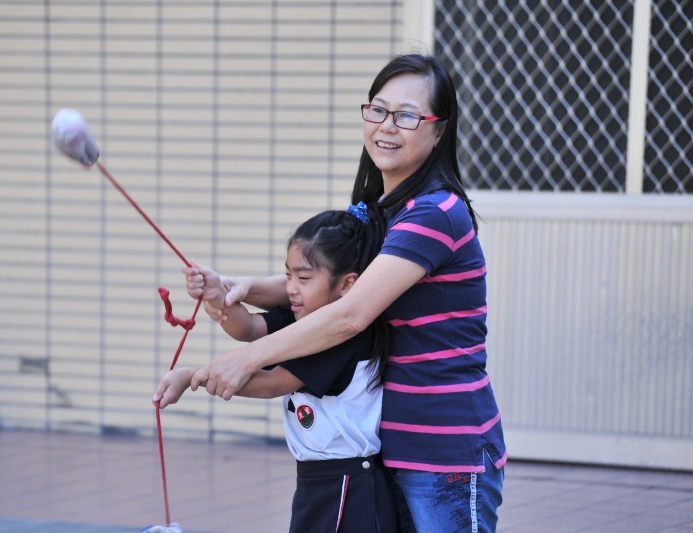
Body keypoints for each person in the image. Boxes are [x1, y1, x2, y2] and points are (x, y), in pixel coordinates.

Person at [184, 53, 507, 532]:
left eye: (407, 115)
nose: (387, 126)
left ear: (439, 131)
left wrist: (248, 358)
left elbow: (350, 313)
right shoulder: (381, 211)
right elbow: (334, 284)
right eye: (377, 109)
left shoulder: (436, 213)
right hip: (390, 446)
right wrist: (243, 286)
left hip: (447, 450)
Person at [154, 207, 398, 533]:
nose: (291, 288)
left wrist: (192, 377)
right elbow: (250, 327)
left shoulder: (338, 335)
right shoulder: (305, 318)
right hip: (320, 477)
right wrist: (215, 295)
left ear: (347, 284)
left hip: (348, 481)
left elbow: (271, 383)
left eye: (304, 277)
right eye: (288, 275)